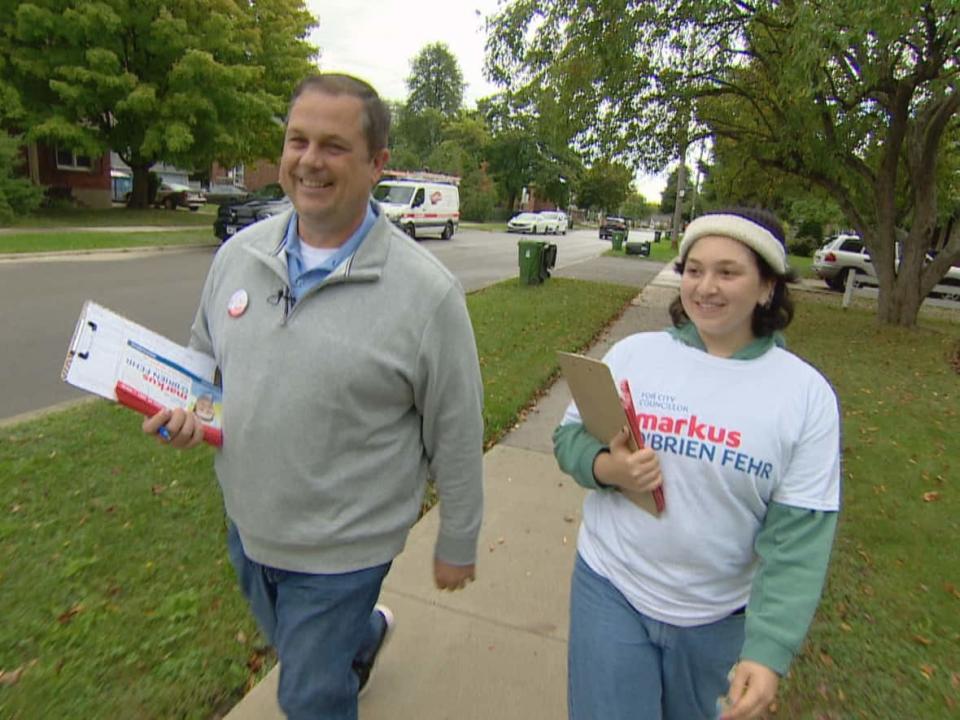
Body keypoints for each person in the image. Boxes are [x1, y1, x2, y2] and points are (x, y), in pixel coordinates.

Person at [142, 73, 484, 720]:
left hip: (345, 549)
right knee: (307, 650)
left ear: (377, 163)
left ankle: (343, 647)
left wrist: (458, 539)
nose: (308, 161)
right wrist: (185, 408)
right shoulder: (239, 256)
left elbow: (457, 430)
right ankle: (362, 637)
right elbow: (202, 360)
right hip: (250, 525)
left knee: (307, 694)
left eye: (333, 145)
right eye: (298, 140)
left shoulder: (426, 295)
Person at [553, 207, 841, 720]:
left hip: (719, 618)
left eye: (728, 272)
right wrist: (607, 469)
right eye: (693, 269)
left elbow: (798, 540)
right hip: (611, 588)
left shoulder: (804, 396)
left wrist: (768, 650)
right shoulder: (636, 356)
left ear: (768, 287)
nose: (705, 286)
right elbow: (570, 438)